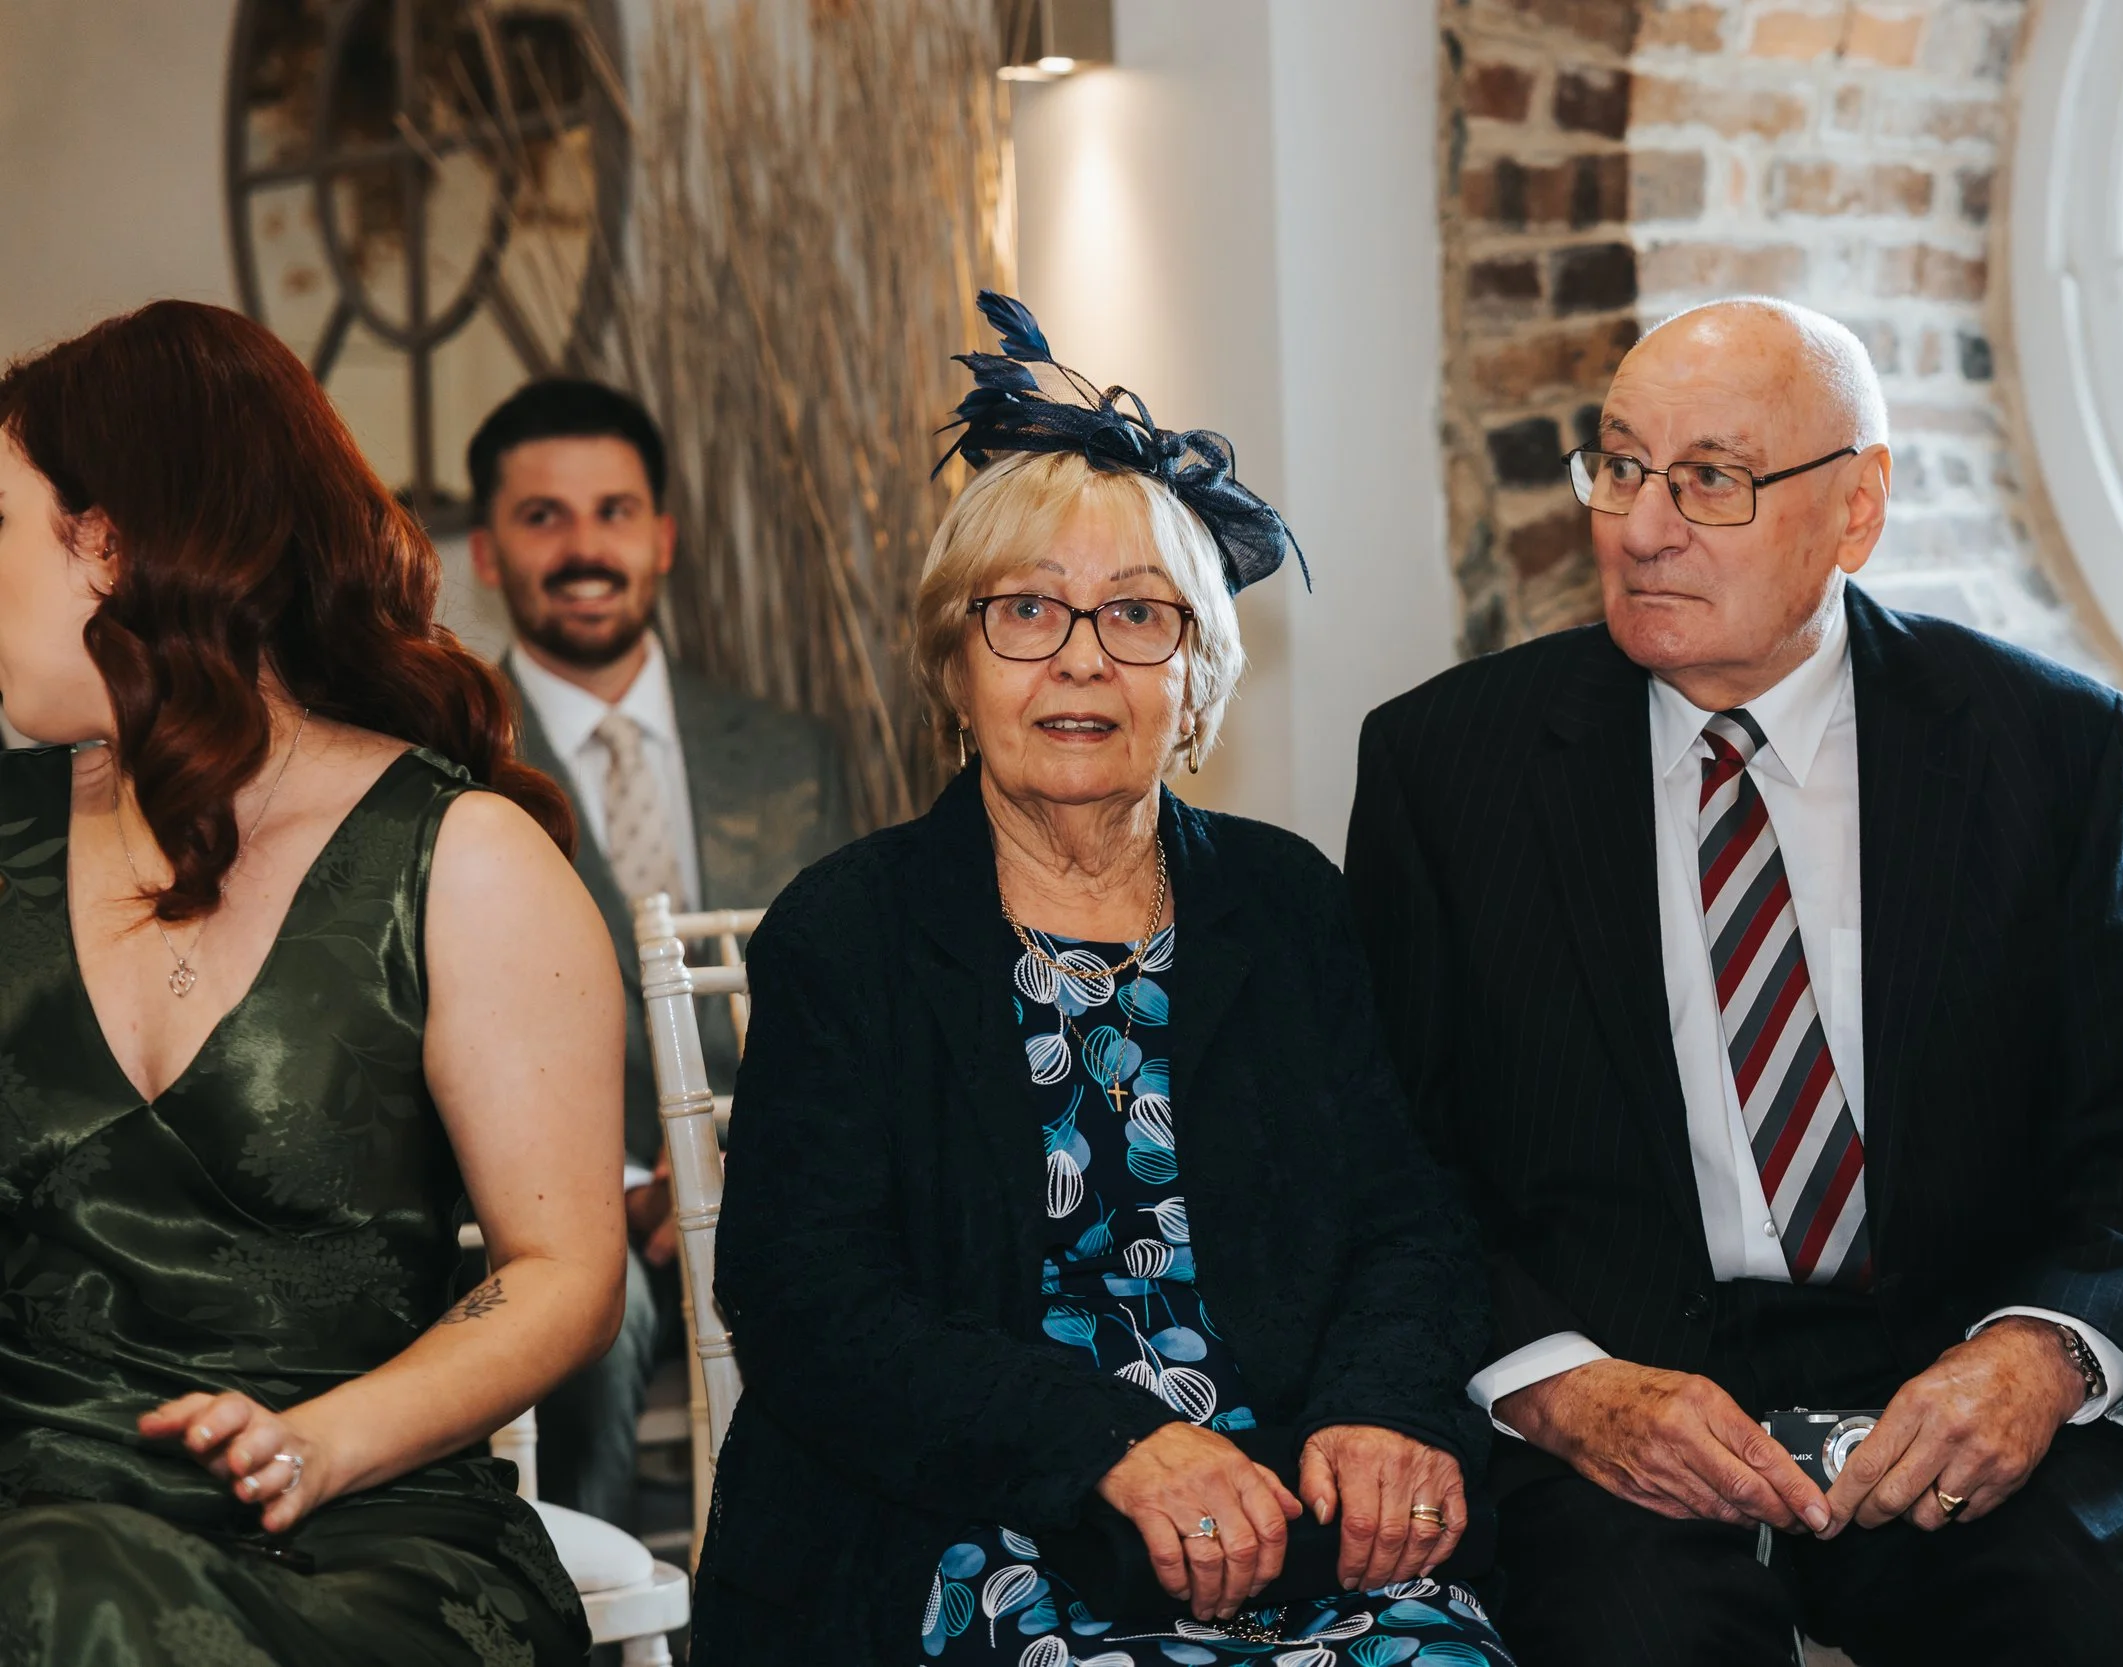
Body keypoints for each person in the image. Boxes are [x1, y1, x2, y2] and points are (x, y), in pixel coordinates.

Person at [1344, 297, 2123, 1666]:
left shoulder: (2035, 743)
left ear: (1857, 506)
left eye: (1711, 479)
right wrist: (1560, 1386)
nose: (1640, 526)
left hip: (1939, 1390)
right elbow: (1394, 1165)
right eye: (1621, 465)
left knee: (2117, 1630)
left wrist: (2036, 1356)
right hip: (1619, 1415)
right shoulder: (1446, 767)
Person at [691, 295, 1512, 1664]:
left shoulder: (1290, 901)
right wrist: (1116, 1446)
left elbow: (1411, 1215)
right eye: (1026, 611)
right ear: (957, 662)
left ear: (1197, 675)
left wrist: (1383, 1408)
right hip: (965, 1522)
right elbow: (807, 1302)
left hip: (1287, 1508)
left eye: (1139, 614)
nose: (1082, 655)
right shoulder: (849, 932)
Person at [0, 300, 625, 1663]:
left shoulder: (463, 858)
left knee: (57, 1595)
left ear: (105, 543)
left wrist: (324, 1440)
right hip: (29, 1482)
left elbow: (567, 1271)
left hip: (358, 1524)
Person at [466, 377, 853, 1527]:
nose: (585, 547)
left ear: (663, 537)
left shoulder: (793, 751)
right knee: (596, 1304)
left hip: (793, 1184)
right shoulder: (443, 755)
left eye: (614, 511)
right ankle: (575, 1607)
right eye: (544, 517)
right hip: (558, 1198)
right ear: (486, 552)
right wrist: (637, 1183)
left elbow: (844, 996)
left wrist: (754, 1164)